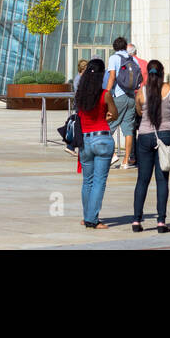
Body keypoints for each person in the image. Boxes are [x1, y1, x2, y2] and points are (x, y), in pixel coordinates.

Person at [131, 59, 170, 233]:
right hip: (166, 135)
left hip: (144, 136)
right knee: (162, 180)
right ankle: (161, 222)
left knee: (142, 180)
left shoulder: (141, 92)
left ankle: (136, 221)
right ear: (162, 72)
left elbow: (138, 111)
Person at [74, 58, 119, 229]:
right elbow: (114, 114)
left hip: (85, 139)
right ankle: (92, 219)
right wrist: (107, 115)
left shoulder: (80, 95)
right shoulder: (104, 94)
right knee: (99, 181)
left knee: (87, 181)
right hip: (102, 139)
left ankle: (87, 216)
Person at [105, 37, 141, 168]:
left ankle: (112, 154)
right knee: (128, 130)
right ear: (125, 46)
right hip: (131, 96)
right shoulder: (132, 58)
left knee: (108, 126)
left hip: (118, 96)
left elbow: (112, 77)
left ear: (114, 47)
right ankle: (126, 160)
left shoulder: (114, 58)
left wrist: (106, 92)